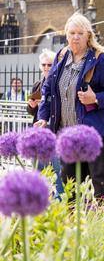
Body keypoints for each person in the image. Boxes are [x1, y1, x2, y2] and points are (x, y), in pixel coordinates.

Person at [35, 13, 104, 200]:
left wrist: (96, 98)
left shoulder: (101, 60)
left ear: (88, 36)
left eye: (80, 33)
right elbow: (47, 90)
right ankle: (74, 228)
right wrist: (43, 117)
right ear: (66, 35)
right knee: (70, 189)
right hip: (68, 136)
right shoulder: (61, 57)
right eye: (72, 33)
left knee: (103, 188)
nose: (75, 37)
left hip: (99, 135)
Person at [26, 49, 63, 199]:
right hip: (38, 131)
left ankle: (60, 198)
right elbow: (30, 111)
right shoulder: (37, 84)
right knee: (39, 167)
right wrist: (32, 106)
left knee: (56, 166)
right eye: (44, 64)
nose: (47, 67)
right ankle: (39, 197)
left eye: (49, 64)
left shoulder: (59, 82)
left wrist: (45, 104)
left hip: (53, 131)